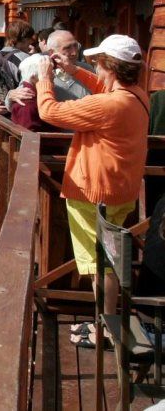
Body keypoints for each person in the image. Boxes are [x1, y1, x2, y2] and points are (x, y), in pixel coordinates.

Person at [35, 34, 150, 347]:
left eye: (98, 63)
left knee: (100, 265)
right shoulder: (137, 95)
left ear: (110, 66)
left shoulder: (108, 104)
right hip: (120, 191)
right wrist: (73, 71)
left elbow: (49, 112)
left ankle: (105, 328)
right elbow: (104, 88)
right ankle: (105, 322)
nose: (96, 68)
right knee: (107, 262)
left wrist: (44, 79)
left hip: (93, 195)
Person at [10, 54, 55, 132]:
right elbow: (29, 136)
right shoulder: (28, 104)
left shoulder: (32, 98)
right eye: (47, 72)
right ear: (33, 77)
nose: (54, 75)